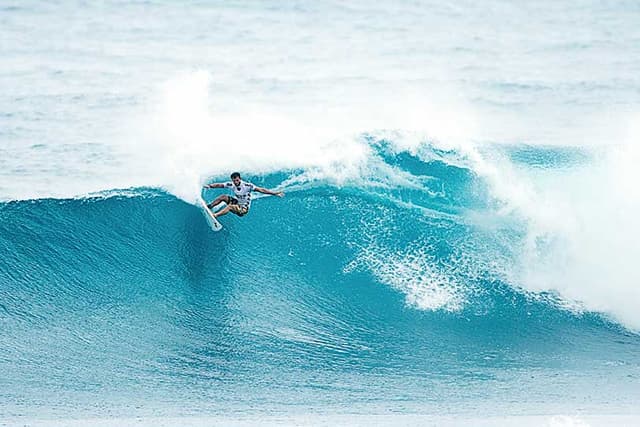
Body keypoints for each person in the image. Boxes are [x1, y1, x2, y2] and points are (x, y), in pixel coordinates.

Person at [203, 172, 284, 218]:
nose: (236, 182)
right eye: (234, 181)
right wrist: (210, 186)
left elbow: (261, 190)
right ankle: (209, 207)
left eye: (237, 180)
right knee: (223, 197)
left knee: (230, 206)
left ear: (240, 179)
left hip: (244, 209)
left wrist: (274, 193)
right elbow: (220, 185)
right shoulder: (231, 184)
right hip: (237, 203)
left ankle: (215, 215)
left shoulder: (247, 186)